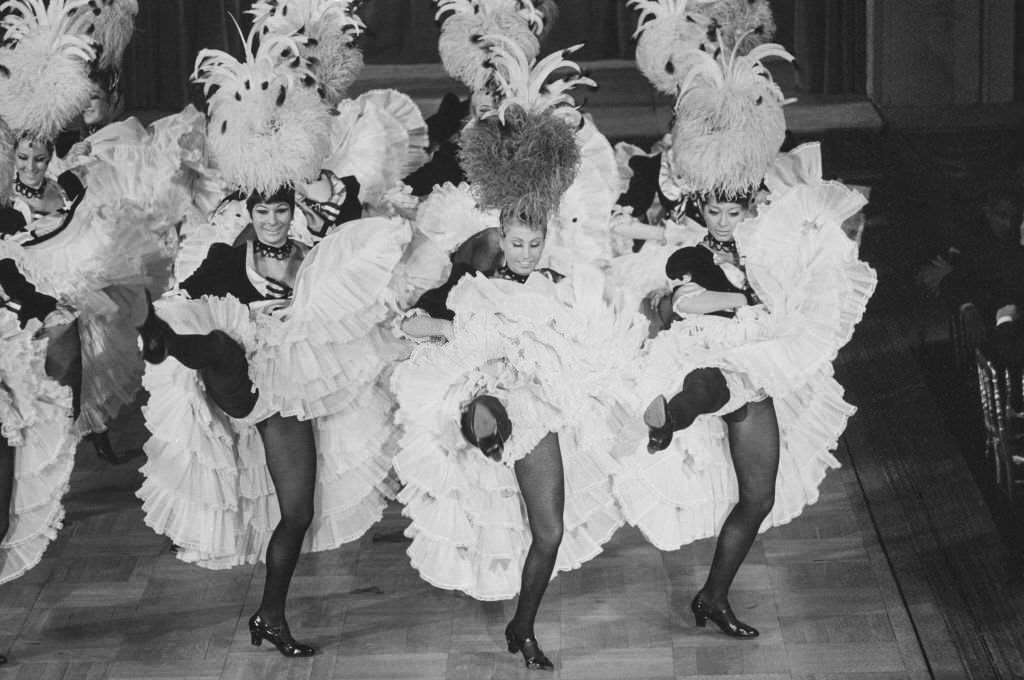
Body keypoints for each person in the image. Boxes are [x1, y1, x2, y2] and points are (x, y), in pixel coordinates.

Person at [135, 22, 410, 658]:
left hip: (288, 394)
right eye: (262, 213)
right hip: (238, 370)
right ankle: (165, 344)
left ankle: (270, 615)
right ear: (251, 214)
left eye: (280, 210)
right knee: (222, 350)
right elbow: (194, 289)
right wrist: (168, 325)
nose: (272, 220)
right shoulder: (233, 256)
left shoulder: (314, 247)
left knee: (298, 512)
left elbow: (350, 222)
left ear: (290, 209)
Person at [611, 29, 875, 640]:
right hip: (712, 355)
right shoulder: (686, 248)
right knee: (706, 383)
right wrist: (735, 295)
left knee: (758, 496)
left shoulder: (766, 241)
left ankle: (713, 597)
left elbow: (806, 274)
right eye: (714, 211)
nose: (724, 220)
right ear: (699, 208)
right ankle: (668, 419)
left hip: (755, 373)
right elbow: (685, 298)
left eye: (734, 211)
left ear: (748, 206)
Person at [391, 37, 640, 672]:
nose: (526, 252)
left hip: (543, 408)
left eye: (535, 243)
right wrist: (419, 326)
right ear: (502, 237)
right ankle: (484, 425)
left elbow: (587, 343)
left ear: (545, 239)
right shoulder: (480, 288)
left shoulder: (559, 287)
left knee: (550, 532)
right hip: (491, 390)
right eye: (518, 242)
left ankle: (522, 626)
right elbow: (459, 334)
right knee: (487, 400)